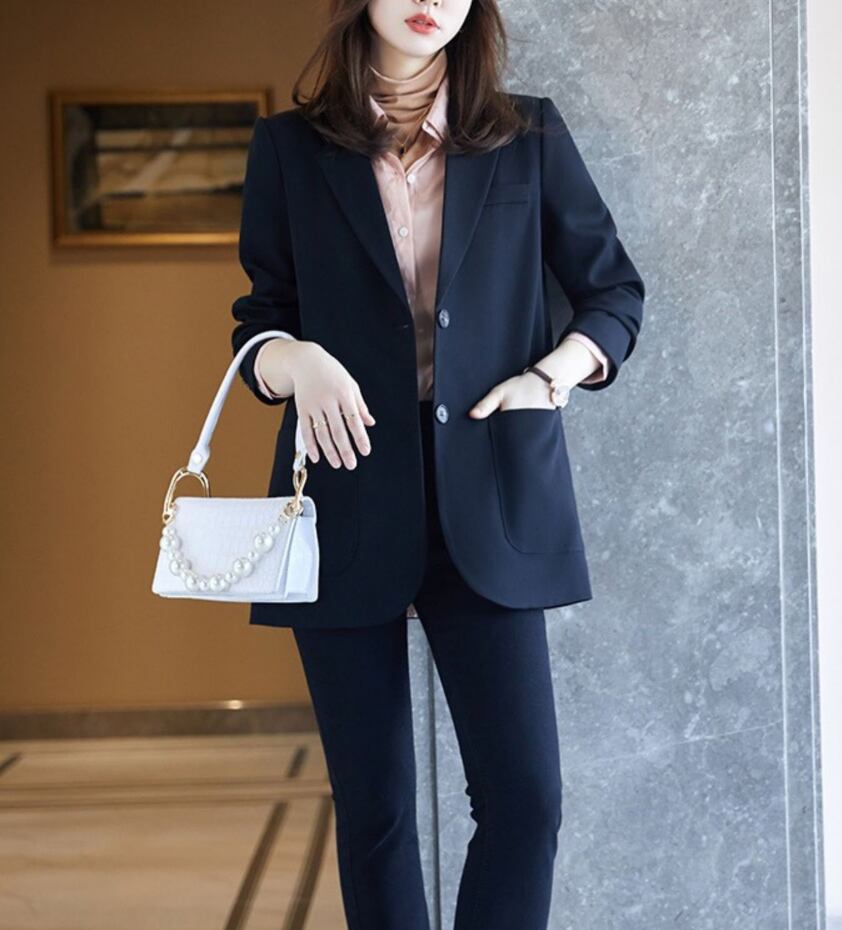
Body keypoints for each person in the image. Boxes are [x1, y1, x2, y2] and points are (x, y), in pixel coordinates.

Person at [230, 1, 645, 927]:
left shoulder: (528, 134)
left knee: (525, 800)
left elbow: (614, 291)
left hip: (490, 492)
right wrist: (295, 361)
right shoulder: (291, 148)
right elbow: (259, 321)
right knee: (376, 811)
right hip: (344, 492)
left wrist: (552, 376)